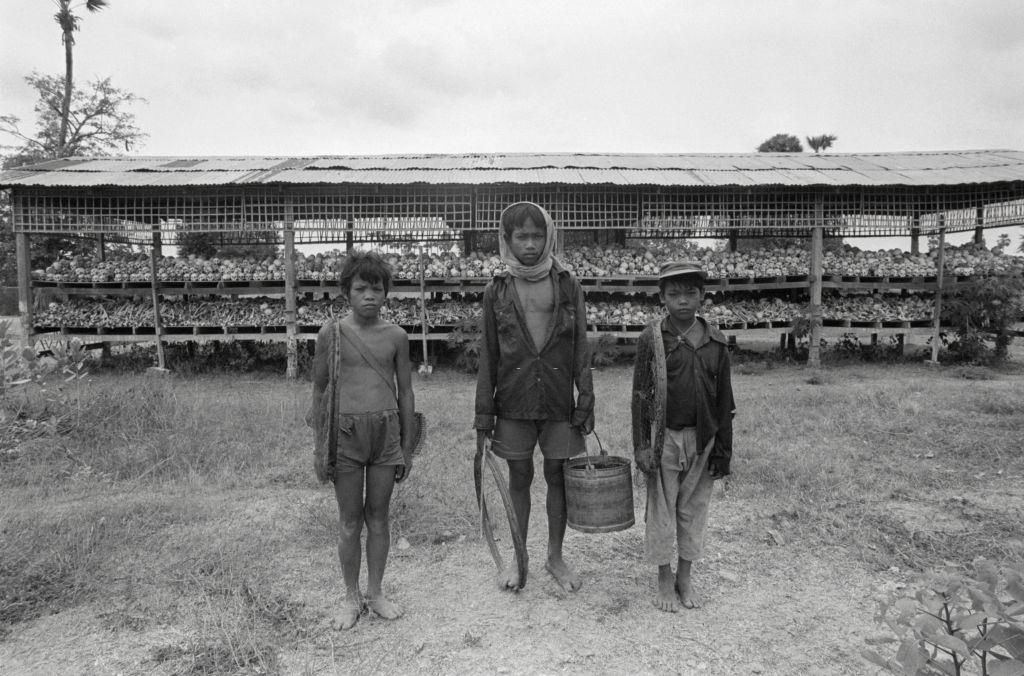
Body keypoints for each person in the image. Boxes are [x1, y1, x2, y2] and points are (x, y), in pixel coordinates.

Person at [474, 201, 595, 592]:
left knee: (558, 475)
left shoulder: (566, 283)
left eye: (537, 235)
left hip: (559, 399)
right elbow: (489, 354)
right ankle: (518, 556)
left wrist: (586, 397)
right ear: (507, 240)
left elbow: (580, 347)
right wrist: (483, 416)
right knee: (520, 475)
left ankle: (555, 557)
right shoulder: (498, 289)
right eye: (521, 236)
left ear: (549, 238)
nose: (529, 243)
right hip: (514, 399)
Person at [307, 250, 416, 630]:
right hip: (345, 435)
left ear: (387, 292)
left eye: (376, 288)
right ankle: (350, 598)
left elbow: (406, 392)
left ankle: (376, 592)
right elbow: (319, 389)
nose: (369, 296)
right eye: (360, 288)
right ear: (345, 293)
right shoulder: (331, 334)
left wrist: (406, 444)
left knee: (379, 517)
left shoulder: (397, 337)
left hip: (386, 435)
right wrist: (323, 442)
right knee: (350, 520)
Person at [631, 260, 735, 612]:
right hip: (664, 439)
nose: (683, 301)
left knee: (694, 510)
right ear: (662, 297)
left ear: (702, 296)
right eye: (673, 294)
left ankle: (685, 575)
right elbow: (640, 396)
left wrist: (723, 450)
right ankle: (663, 575)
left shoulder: (715, 342)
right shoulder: (652, 339)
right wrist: (642, 445)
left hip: (702, 439)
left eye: (691, 293)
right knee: (661, 509)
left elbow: (725, 403)